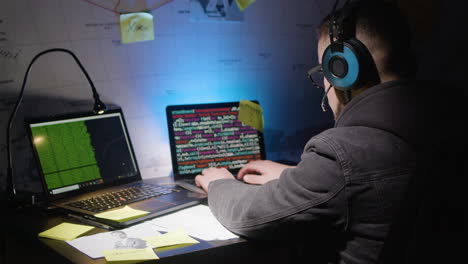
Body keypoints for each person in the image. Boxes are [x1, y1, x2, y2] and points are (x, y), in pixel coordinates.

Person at [195, 1, 454, 263]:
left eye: (325, 70)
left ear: (344, 71)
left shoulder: (343, 152)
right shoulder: (447, 120)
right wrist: (294, 175)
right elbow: (365, 185)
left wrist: (219, 183)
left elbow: (250, 215)